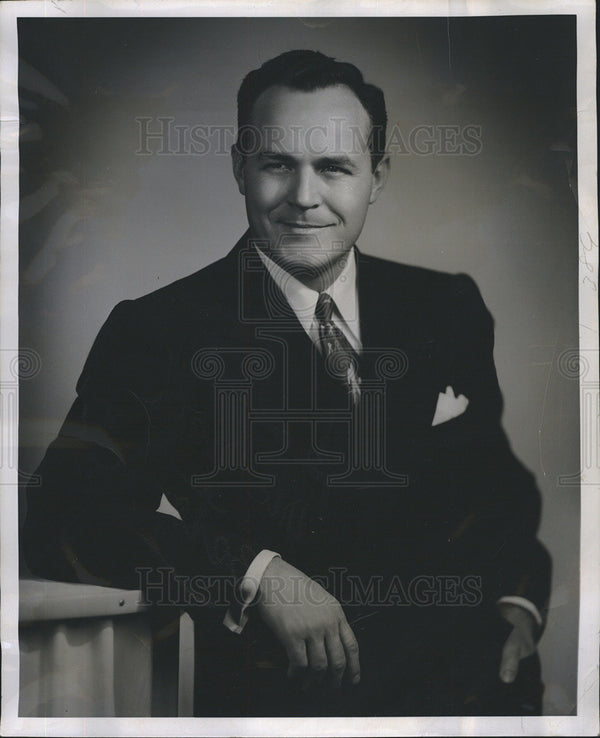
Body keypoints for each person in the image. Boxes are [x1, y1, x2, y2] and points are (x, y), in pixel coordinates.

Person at [23, 50, 551, 716]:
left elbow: (496, 485)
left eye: (334, 167)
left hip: (481, 696)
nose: (304, 198)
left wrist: (520, 601)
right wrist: (253, 572)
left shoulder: (444, 305)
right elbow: (63, 516)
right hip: (292, 703)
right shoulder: (158, 332)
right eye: (277, 164)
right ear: (240, 166)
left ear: (377, 176)